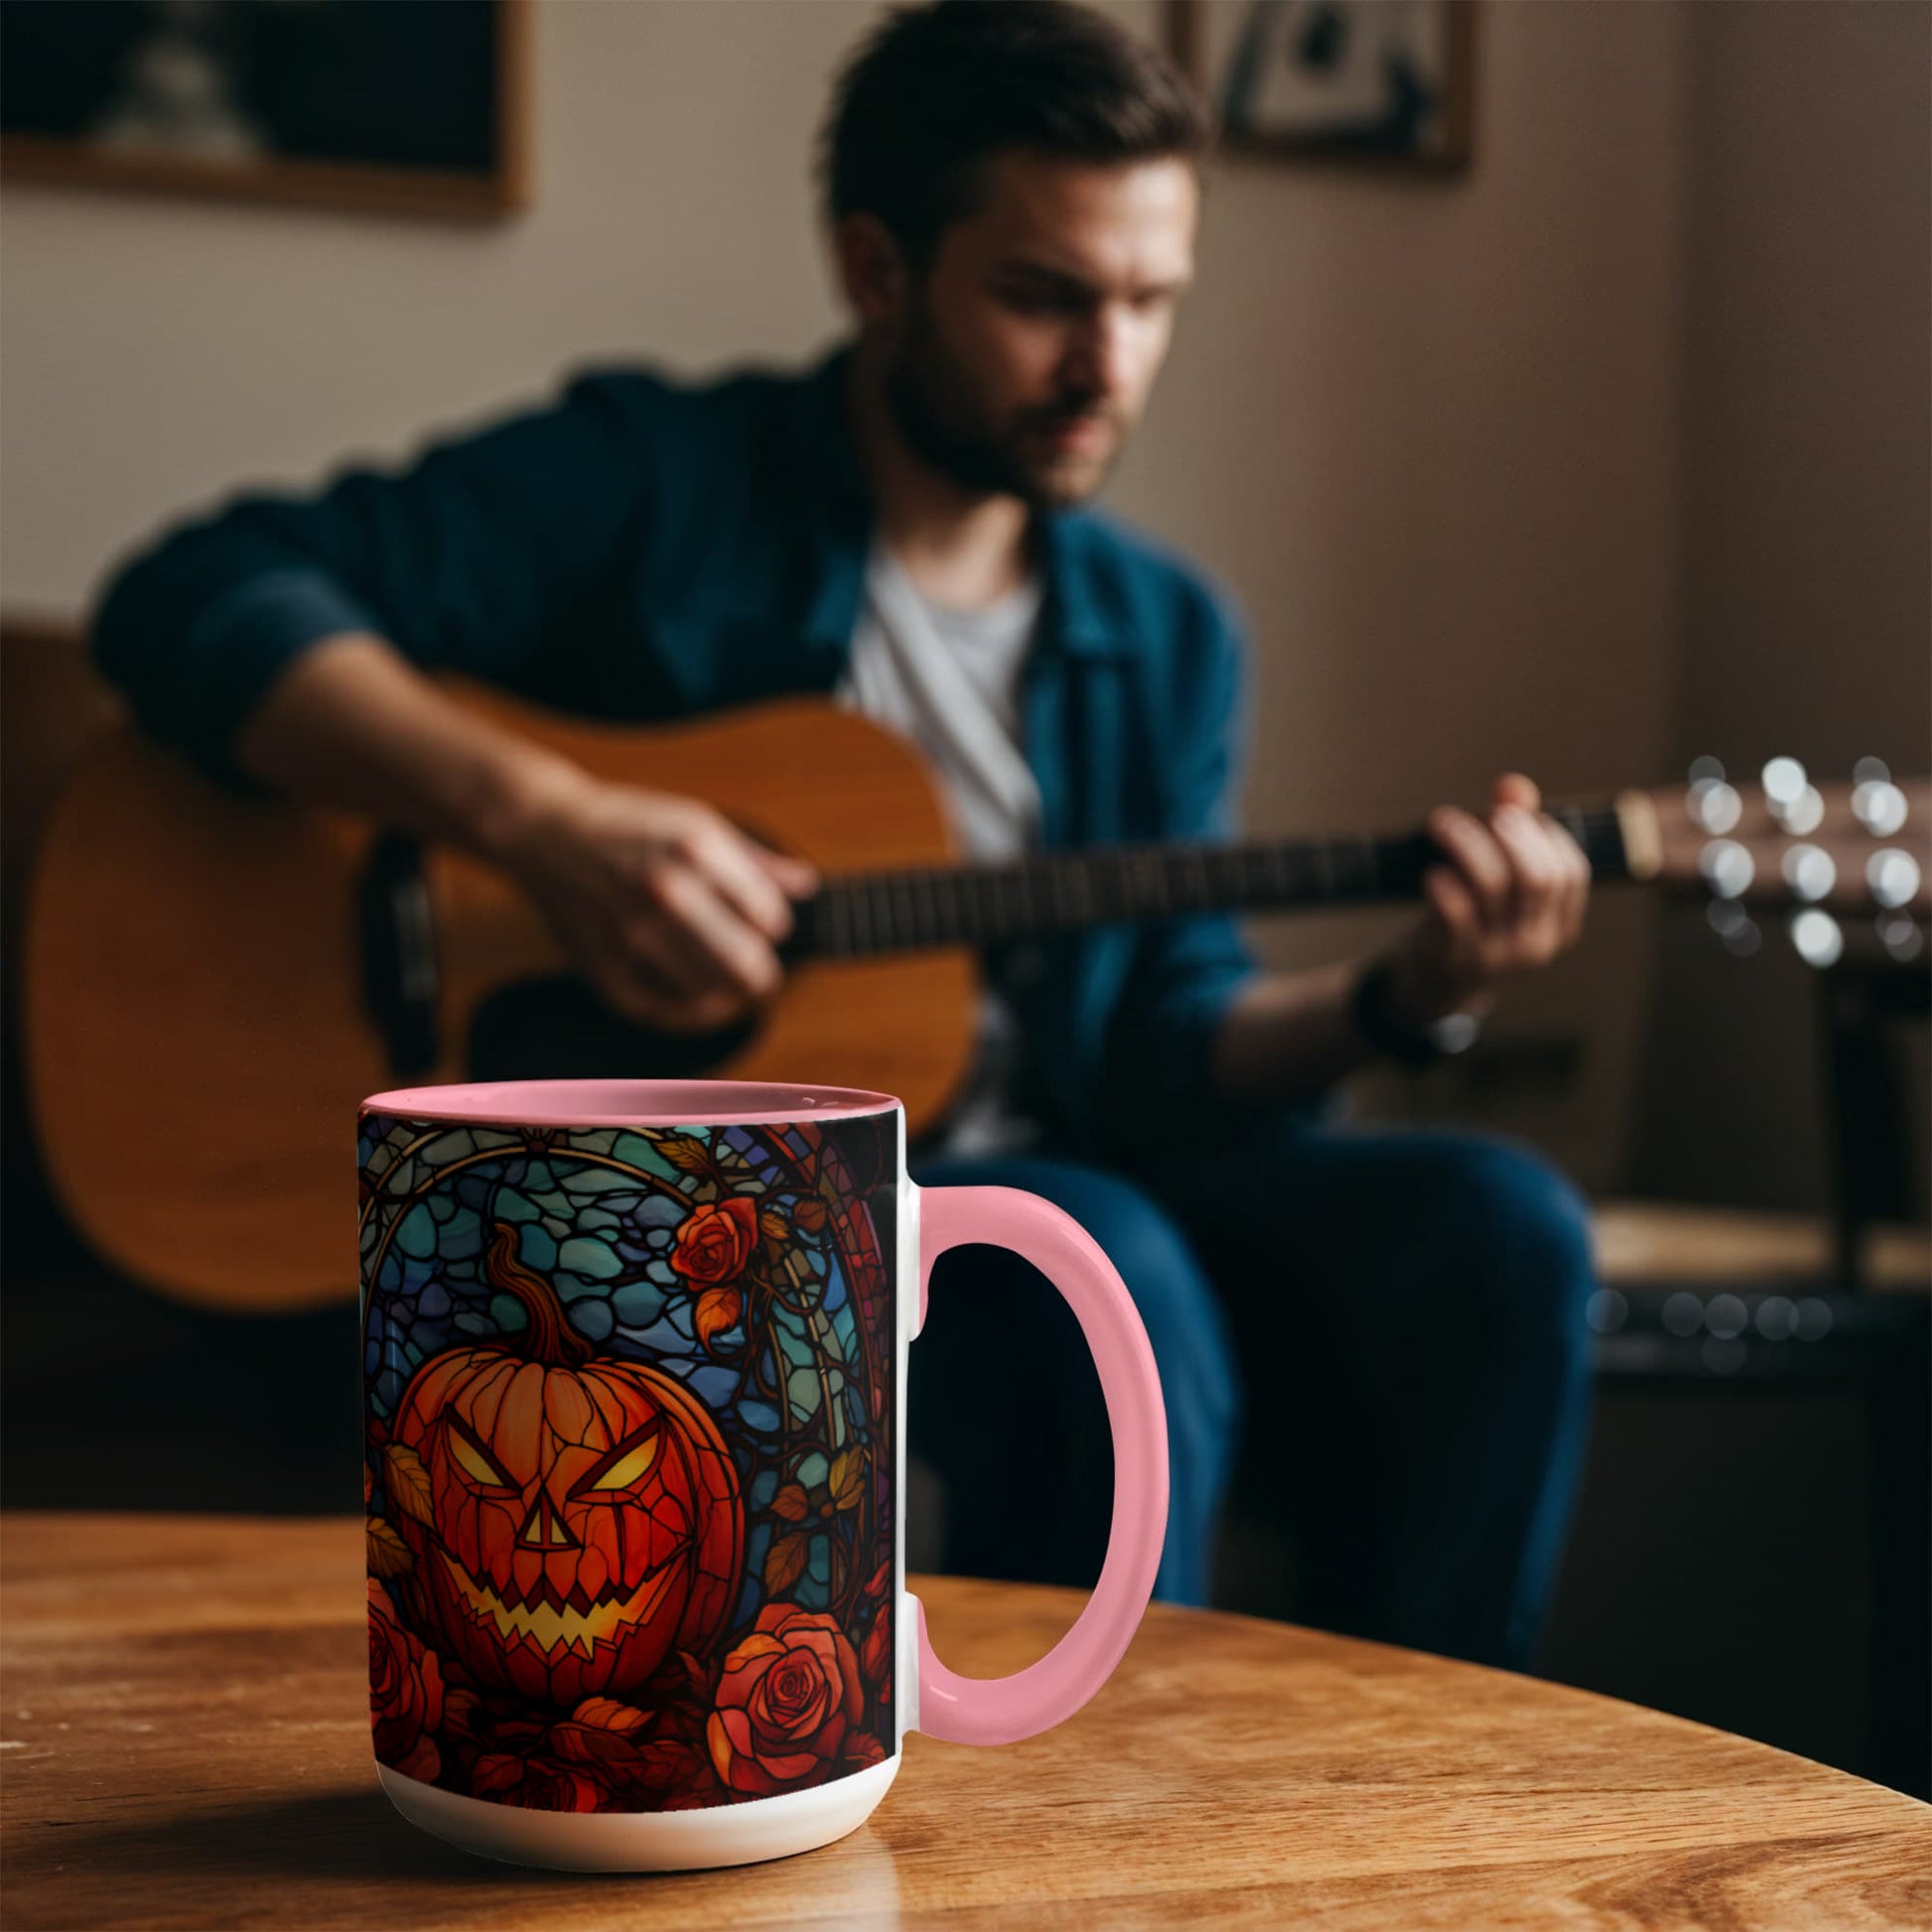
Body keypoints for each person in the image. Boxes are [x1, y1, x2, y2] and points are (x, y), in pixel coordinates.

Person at [92, 0, 1595, 1671]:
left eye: (1151, 302)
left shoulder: (1168, 634)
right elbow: (195, 591)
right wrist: (549, 819)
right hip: (743, 1214)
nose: (1110, 366)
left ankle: (1437, 1774)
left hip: (1083, 1171)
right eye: (1045, 297)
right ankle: (1070, 1820)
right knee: (1103, 1250)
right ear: (877, 269)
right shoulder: (656, 483)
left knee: (1502, 1226)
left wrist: (1405, 993)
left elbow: (1173, 1031)